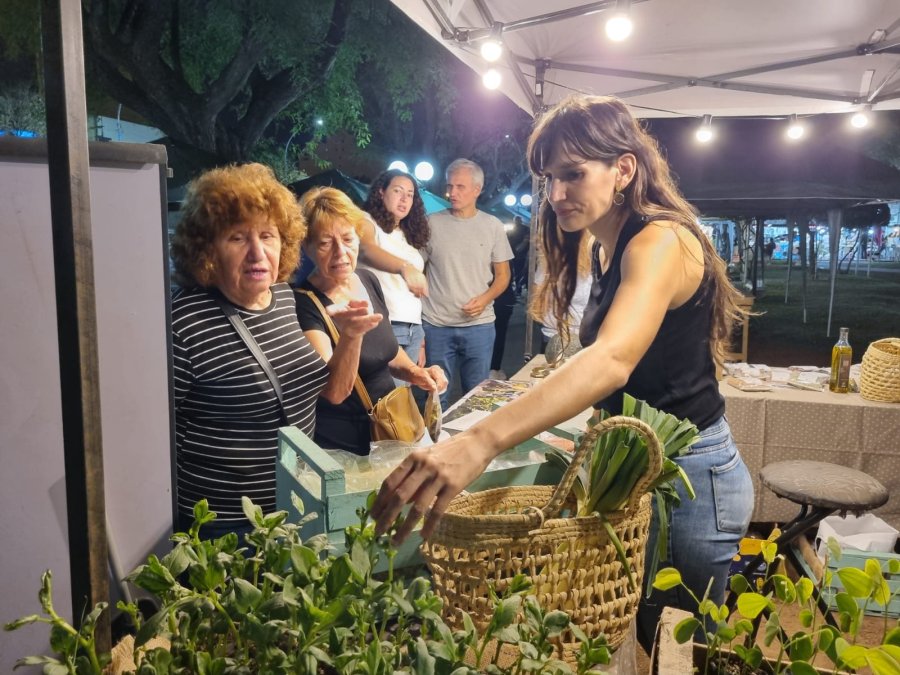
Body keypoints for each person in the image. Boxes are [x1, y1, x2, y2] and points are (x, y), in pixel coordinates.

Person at [372, 95, 754, 651]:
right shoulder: (604, 245)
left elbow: (614, 359)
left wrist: (479, 439)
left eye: (573, 175)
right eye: (549, 178)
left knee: (687, 647)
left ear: (623, 168)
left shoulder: (660, 239)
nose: (555, 195)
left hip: (693, 476)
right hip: (636, 462)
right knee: (644, 631)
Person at [170, 163, 377, 538]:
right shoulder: (183, 322)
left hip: (296, 504)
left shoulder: (283, 298)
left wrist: (349, 336)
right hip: (226, 522)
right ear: (206, 249)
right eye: (237, 238)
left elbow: (329, 393)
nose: (257, 253)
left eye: (268, 236)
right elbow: (152, 438)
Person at [294, 187, 447, 455]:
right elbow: (334, 392)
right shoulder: (305, 303)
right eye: (325, 243)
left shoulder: (366, 278)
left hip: (391, 431)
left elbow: (384, 348)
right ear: (307, 247)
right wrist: (351, 335)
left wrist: (415, 372)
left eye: (348, 238)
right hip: (345, 447)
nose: (341, 253)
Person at [421, 159, 514, 406]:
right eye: (450, 186)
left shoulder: (492, 225)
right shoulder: (431, 223)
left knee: (476, 398)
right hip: (436, 324)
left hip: (480, 326)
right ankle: (437, 443)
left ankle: (472, 444)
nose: (452, 193)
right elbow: (415, 269)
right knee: (436, 397)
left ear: (477, 189)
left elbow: (503, 276)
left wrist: (484, 299)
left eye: (460, 187)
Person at [361, 169, 431, 382]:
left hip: (412, 329)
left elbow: (410, 293)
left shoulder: (407, 235)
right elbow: (367, 250)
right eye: (398, 191)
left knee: (401, 398)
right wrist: (404, 267)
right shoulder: (366, 221)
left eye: (410, 194)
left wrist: (420, 340)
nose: (404, 199)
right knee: (384, 400)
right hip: (385, 326)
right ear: (381, 192)